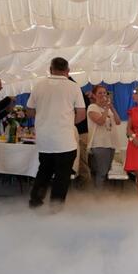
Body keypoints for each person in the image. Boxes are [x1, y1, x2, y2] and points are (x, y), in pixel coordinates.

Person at [26, 58, 86, 208]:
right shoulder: (73, 87)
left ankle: (35, 203)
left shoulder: (39, 85)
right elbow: (81, 114)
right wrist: (68, 123)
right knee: (62, 176)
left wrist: (44, 118)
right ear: (68, 71)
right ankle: (55, 208)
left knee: (43, 172)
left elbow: (29, 111)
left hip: (44, 139)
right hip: (65, 140)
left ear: (50, 69)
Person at [87, 85, 121, 191]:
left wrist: (112, 108)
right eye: (100, 93)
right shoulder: (92, 107)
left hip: (110, 143)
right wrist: (106, 108)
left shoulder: (107, 109)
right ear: (94, 95)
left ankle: (103, 194)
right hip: (99, 144)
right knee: (101, 172)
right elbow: (101, 122)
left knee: (106, 171)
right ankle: (98, 196)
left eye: (104, 93)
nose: (103, 95)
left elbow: (118, 121)